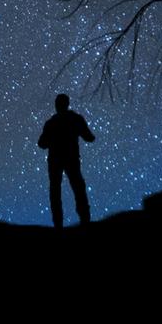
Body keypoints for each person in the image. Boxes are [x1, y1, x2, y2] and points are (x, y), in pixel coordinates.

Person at [37, 93, 95, 227]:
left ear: (57, 106)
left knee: (55, 191)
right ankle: (85, 220)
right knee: (78, 187)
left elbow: (42, 144)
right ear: (67, 104)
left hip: (55, 160)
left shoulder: (51, 123)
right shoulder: (75, 119)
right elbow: (89, 137)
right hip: (71, 158)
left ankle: (58, 224)